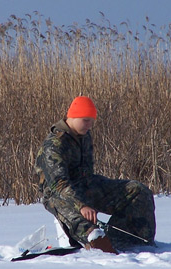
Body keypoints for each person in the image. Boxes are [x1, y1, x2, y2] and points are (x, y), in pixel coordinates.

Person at [34, 96, 156, 253]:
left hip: (86, 186)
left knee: (138, 191)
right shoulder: (54, 145)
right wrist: (82, 205)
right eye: (86, 120)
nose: (90, 125)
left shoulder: (84, 135)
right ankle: (100, 245)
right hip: (60, 196)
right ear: (73, 117)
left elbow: (87, 173)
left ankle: (131, 242)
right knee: (93, 234)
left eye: (92, 121)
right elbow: (59, 185)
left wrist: (93, 196)